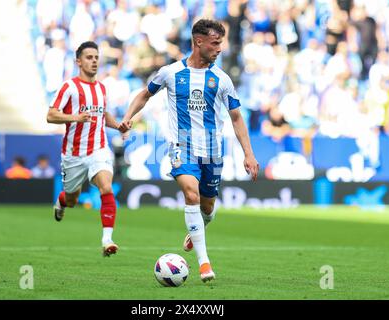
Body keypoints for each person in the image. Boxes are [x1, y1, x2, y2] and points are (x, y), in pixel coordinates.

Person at [120, 19, 259, 282]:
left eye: (221, 43)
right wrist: (128, 116)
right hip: (181, 146)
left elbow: (237, 117)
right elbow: (144, 95)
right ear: (199, 41)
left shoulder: (221, 79)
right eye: (215, 43)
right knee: (190, 193)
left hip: (211, 149)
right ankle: (205, 264)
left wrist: (248, 154)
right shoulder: (170, 72)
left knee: (207, 207)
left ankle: (198, 229)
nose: (220, 48)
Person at [47, 41, 129, 257]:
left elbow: (103, 115)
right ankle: (63, 201)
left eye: (96, 57)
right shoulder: (69, 87)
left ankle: (107, 239)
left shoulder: (102, 88)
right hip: (73, 154)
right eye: (89, 57)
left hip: (98, 149)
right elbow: (51, 115)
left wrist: (118, 124)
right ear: (78, 61)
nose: (94, 61)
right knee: (73, 199)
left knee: (106, 188)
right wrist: (75, 117)